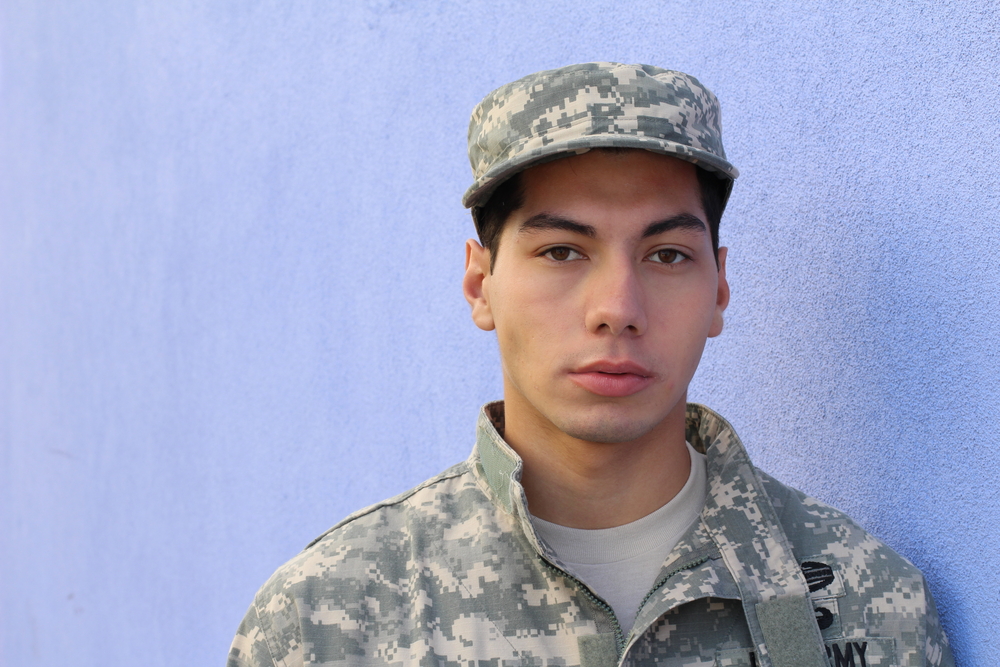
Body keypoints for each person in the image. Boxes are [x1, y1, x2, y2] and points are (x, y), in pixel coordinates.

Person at [227, 63, 953, 667]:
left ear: (720, 290)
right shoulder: (331, 618)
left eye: (666, 254)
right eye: (562, 251)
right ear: (481, 284)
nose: (617, 307)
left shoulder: (866, 604)